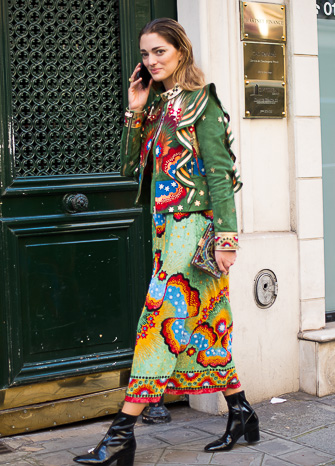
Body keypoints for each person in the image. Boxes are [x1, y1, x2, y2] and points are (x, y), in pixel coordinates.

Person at [73, 18, 259, 466]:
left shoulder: (202, 104)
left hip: (193, 232)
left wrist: (228, 239)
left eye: (160, 51)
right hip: (164, 232)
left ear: (181, 51)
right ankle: (242, 413)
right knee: (207, 324)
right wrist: (135, 110)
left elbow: (221, 174)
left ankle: (120, 436)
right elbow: (127, 172)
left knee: (156, 323)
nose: (151, 61)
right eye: (145, 54)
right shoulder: (156, 109)